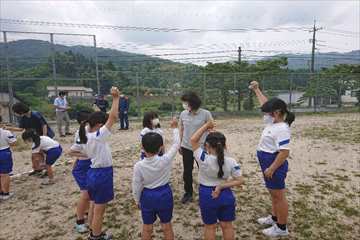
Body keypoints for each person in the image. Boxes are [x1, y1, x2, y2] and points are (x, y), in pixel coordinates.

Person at [249, 81, 295, 237]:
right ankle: (274, 218)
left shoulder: (282, 128)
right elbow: (265, 104)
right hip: (267, 162)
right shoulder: (273, 120)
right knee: (273, 193)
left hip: (273, 164)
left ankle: (281, 228)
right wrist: (257, 90)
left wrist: (272, 168)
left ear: (276, 113)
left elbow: (284, 152)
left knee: (279, 195)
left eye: (268, 113)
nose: (265, 115)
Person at [78, 87, 120, 240]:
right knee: (100, 209)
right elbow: (113, 117)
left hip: (93, 173)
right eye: (103, 124)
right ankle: (96, 236)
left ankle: (92, 230)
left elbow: (110, 119)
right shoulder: (97, 136)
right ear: (99, 124)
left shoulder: (86, 135)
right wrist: (116, 98)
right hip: (102, 174)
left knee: (95, 205)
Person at [190, 120, 244, 240]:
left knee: (210, 227)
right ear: (225, 145)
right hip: (226, 194)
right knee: (227, 225)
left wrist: (206, 126)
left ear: (207, 146)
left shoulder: (203, 158)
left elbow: (193, 140)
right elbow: (240, 180)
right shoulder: (231, 161)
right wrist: (221, 186)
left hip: (207, 195)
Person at [132, 117, 180, 240]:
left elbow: (136, 185)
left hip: (147, 196)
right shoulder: (165, 160)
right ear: (160, 148)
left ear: (142, 147)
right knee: (167, 226)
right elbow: (176, 144)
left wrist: (137, 200)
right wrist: (175, 128)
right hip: (164, 194)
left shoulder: (139, 166)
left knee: (147, 227)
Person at [179, 91, 212, 204]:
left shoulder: (205, 114)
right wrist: (180, 144)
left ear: (192, 103)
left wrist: (209, 146)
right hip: (186, 147)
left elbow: (211, 127)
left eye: (186, 102)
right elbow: (181, 129)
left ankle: (207, 191)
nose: (184, 105)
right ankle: (188, 193)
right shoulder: (183, 114)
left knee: (204, 169)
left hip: (201, 148)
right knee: (187, 171)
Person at [11, 102, 54, 176]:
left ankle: (47, 170)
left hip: (45, 136)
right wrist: (8, 128)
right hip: (36, 138)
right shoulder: (23, 118)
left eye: (15, 112)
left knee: (44, 154)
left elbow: (44, 126)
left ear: (20, 111)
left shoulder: (35, 114)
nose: (15, 114)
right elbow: (21, 129)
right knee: (35, 154)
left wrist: (44, 137)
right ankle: (37, 169)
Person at [67, 110, 93, 233]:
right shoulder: (82, 132)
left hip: (87, 164)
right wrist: (86, 154)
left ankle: (87, 212)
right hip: (82, 167)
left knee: (90, 194)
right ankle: (79, 221)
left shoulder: (89, 131)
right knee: (86, 194)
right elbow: (71, 151)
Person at [0, 116, 17, 200]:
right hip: (4, 152)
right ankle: (6, 193)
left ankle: (1, 192)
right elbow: (13, 143)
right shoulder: (6, 132)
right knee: (5, 174)